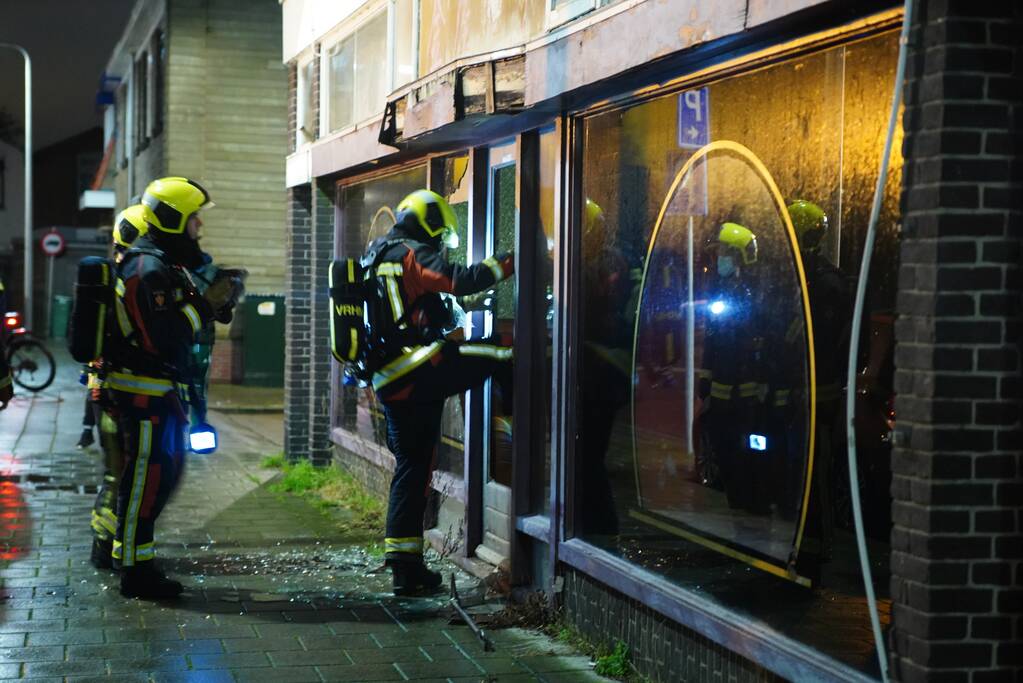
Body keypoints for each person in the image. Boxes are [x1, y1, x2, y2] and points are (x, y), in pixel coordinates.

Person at [364, 189, 514, 596]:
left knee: (413, 468)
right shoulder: (410, 253)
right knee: (500, 353)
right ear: (428, 220)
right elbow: (458, 280)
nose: (439, 241)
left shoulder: (376, 255)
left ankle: (405, 566)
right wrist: (510, 261)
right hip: (415, 369)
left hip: (388, 378)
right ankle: (520, 434)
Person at [106, 177, 236, 599]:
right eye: (194, 218)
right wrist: (204, 306)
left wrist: (216, 300)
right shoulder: (147, 269)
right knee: (145, 477)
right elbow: (163, 336)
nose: (199, 225)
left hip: (159, 390)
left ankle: (139, 562)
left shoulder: (164, 263)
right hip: (141, 392)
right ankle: (133, 570)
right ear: (175, 218)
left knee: (162, 475)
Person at [785, 200, 852, 578]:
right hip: (798, 388)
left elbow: (819, 339)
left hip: (819, 391)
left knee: (817, 471)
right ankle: (801, 542)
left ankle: (817, 547)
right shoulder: (801, 274)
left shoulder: (826, 282)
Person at [87, 204, 150, 569]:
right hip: (123, 395)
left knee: (116, 474)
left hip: (101, 391)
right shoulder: (132, 280)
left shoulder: (108, 277)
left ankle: (106, 544)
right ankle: (113, 548)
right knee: (127, 475)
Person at [698, 222, 770, 512]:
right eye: (718, 253)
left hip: (745, 399)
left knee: (746, 455)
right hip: (723, 398)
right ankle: (741, 503)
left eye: (725, 253)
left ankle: (752, 505)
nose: (719, 259)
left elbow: (755, 343)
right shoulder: (723, 290)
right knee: (726, 453)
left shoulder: (752, 294)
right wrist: (705, 383)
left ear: (741, 256)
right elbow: (713, 341)